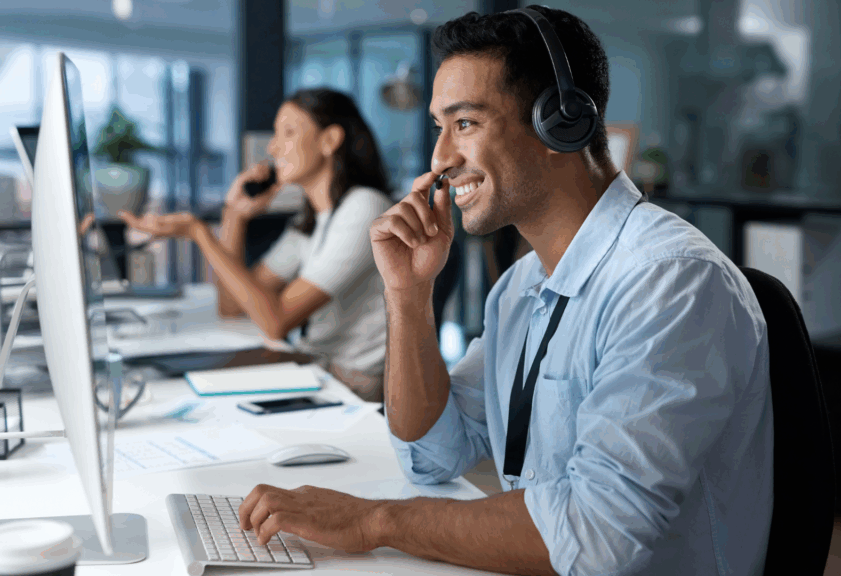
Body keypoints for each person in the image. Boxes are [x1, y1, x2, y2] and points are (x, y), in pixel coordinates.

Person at [234, 7, 773, 576]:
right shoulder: (521, 287)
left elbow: (594, 537)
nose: (440, 158)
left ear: (560, 124)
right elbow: (432, 454)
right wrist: (408, 298)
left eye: (465, 123)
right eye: (438, 127)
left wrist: (373, 522)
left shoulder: (669, 282)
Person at [119, 88, 393, 402]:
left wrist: (200, 233)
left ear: (329, 140)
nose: (274, 148)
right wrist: (234, 216)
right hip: (316, 369)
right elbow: (234, 307)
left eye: (288, 133)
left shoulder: (364, 208)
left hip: (352, 385)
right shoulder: (313, 217)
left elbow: (275, 320)